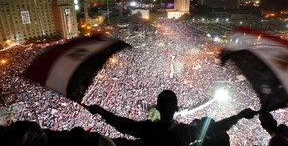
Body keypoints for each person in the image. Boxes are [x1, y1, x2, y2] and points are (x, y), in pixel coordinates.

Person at [84, 89, 257, 146]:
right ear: (177, 108)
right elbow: (215, 129)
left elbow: (121, 124)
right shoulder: (185, 132)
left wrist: (100, 110)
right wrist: (239, 115)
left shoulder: (146, 129)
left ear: (157, 108)